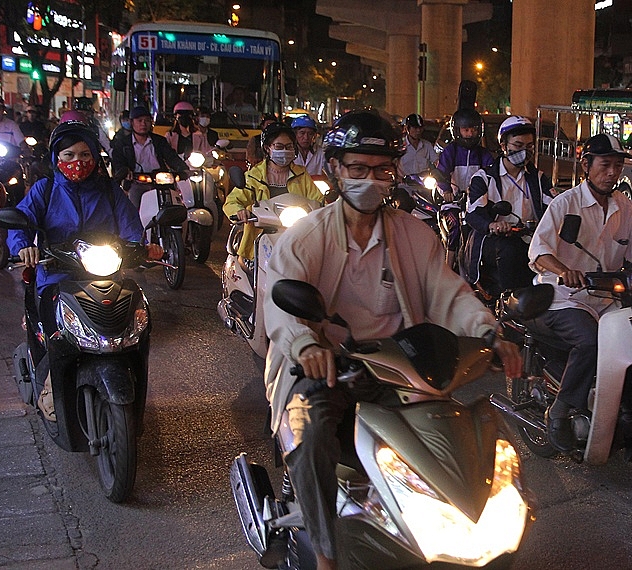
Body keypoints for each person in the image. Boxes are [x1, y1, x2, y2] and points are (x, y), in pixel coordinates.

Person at [262, 109, 522, 570]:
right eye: (357, 169)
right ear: (337, 169)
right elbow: (281, 306)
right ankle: (324, 551)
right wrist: (307, 346)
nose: (370, 180)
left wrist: (488, 331)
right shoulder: (305, 238)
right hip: (328, 370)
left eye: (381, 170)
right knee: (313, 433)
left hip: (402, 366)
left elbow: (448, 293)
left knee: (463, 434)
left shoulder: (414, 234)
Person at [5, 114, 163, 421]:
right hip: (57, 273)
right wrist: (24, 245)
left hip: (104, 272)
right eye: (69, 155)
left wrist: (144, 247)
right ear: (57, 158)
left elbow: (131, 226)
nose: (78, 161)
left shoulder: (109, 190)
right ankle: (50, 380)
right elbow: (20, 222)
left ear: (95, 156)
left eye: (85, 154)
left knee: (137, 321)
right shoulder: (44, 190)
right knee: (56, 331)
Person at [527, 133, 632, 452]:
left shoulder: (623, 205)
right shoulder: (566, 203)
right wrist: (565, 271)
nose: (611, 172)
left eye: (617, 166)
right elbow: (539, 251)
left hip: (608, 298)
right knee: (591, 341)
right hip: (564, 297)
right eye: (605, 165)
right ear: (586, 165)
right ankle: (560, 412)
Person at [464, 115, 554, 298]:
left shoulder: (538, 178)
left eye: (529, 147)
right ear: (504, 146)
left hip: (531, 237)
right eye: (518, 146)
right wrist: (492, 225)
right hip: (494, 240)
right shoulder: (484, 178)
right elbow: (474, 213)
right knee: (510, 249)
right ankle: (509, 299)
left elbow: (554, 207)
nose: (525, 151)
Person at [222, 122, 323, 267]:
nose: (285, 151)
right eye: (279, 147)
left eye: (289, 147)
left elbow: (318, 200)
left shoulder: (301, 174)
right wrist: (240, 211)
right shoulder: (254, 176)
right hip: (258, 240)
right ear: (267, 148)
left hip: (298, 239)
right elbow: (232, 201)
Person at [435, 108, 494, 268]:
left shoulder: (483, 154)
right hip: (453, 202)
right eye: (466, 130)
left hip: (476, 204)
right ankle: (448, 266)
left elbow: (492, 174)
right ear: (457, 131)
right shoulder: (450, 151)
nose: (469, 134)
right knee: (454, 229)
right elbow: (440, 174)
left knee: (486, 228)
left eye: (473, 130)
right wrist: (446, 191)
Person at [110, 105, 189, 209]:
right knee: (132, 208)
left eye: (147, 120)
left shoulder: (159, 141)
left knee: (177, 205)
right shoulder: (122, 143)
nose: (143, 124)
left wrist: (183, 169)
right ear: (132, 122)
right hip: (137, 182)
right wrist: (124, 171)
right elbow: (117, 162)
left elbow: (171, 157)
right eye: (139, 120)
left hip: (161, 182)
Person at [397, 113, 438, 177]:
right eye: (415, 128)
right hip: (404, 185)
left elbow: (436, 161)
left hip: (424, 184)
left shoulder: (427, 146)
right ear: (407, 128)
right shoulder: (399, 146)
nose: (418, 131)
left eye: (420, 127)